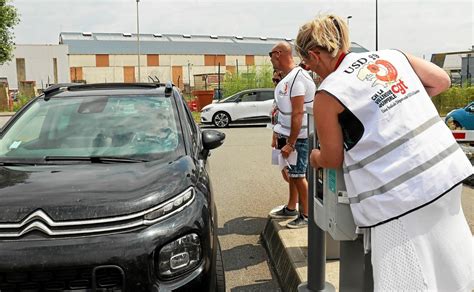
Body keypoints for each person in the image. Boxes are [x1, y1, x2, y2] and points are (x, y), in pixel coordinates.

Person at [295, 14, 473, 291]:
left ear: (314, 54)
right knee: (453, 260)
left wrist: (313, 157)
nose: (310, 70)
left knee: (405, 278)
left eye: (307, 64)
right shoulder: (391, 56)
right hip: (445, 172)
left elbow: (331, 158)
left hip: (396, 196)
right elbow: (441, 82)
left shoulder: (329, 93)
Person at [268, 41, 316, 229]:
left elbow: (298, 113)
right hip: (289, 135)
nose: (270, 58)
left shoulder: (297, 79)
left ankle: (307, 215)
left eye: (270, 54)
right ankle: (291, 207)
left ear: (278, 54)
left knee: (297, 176)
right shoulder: (289, 78)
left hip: (299, 137)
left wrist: (292, 143)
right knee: (292, 174)